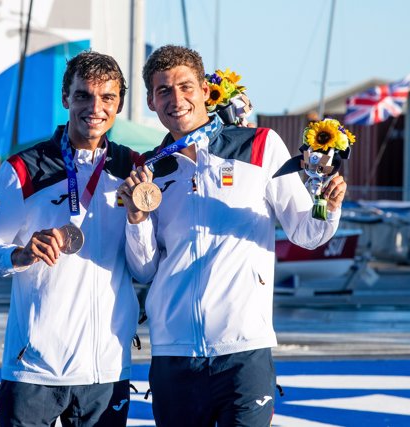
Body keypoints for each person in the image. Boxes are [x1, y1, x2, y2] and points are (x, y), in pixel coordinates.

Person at [118, 45, 348, 427]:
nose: (176, 99)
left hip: (244, 349)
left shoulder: (259, 146)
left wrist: (328, 206)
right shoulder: (150, 169)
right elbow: (144, 269)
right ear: (150, 101)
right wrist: (137, 218)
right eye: (164, 91)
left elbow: (307, 232)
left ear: (205, 92)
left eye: (185, 86)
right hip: (174, 349)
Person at [0, 51, 142, 427]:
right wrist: (18, 254)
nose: (95, 108)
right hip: (34, 369)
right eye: (83, 96)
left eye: (107, 98)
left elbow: (145, 265)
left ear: (119, 104)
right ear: (66, 99)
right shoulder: (24, 168)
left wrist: (140, 220)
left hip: (105, 370)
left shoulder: (133, 168)